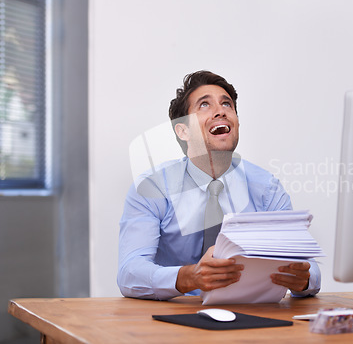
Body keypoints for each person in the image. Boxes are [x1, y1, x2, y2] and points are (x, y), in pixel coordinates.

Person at [118, 70, 321, 300]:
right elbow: (129, 273)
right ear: (183, 130)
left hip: (251, 317)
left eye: (227, 105)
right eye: (204, 105)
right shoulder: (152, 188)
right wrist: (188, 277)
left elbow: (310, 268)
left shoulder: (267, 189)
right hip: (174, 318)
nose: (221, 111)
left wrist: (303, 280)